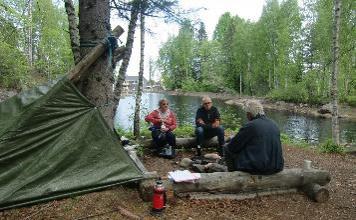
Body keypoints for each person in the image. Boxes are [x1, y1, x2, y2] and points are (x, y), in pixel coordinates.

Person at [224, 100, 284, 175]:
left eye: (246, 113)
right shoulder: (274, 124)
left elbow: (232, 147)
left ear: (249, 114)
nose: (246, 116)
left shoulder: (251, 126)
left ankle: (233, 176)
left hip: (258, 169)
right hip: (277, 166)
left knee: (227, 148)